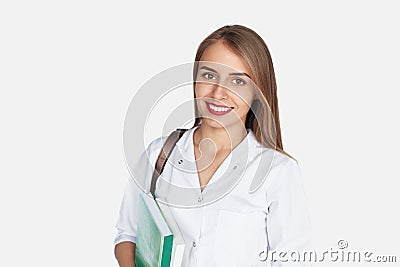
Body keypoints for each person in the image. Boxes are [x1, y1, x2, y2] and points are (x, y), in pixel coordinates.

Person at [114, 24, 312, 267]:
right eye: (209, 76)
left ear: (257, 93)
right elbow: (127, 235)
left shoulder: (277, 171)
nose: (219, 93)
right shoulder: (158, 155)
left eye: (238, 81)